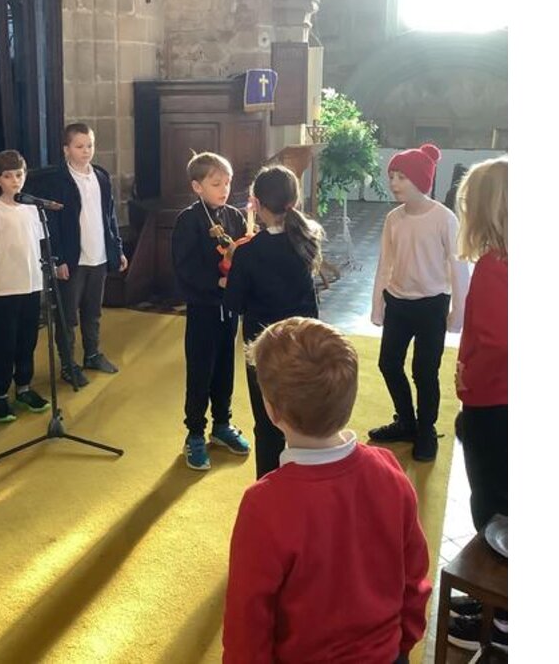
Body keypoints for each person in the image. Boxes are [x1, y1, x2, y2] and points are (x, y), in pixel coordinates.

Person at [223, 317, 431, 664]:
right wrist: (402, 644)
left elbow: (247, 623)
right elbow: (414, 575)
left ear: (271, 411)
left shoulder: (263, 505)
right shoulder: (389, 470)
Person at [444, 156, 509, 653]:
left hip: (494, 401)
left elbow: (495, 341)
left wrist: (469, 381)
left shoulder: (494, 266)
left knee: (492, 506)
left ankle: (501, 620)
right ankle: (495, 596)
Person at [368, 144, 469, 463]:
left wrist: (458, 313)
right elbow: (385, 262)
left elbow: (458, 267)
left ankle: (426, 429)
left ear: (422, 180)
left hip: (432, 305)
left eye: (402, 177)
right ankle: (406, 421)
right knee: (388, 363)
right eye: (392, 176)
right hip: (398, 302)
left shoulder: (444, 219)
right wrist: (377, 304)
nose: (394, 183)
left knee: (425, 371)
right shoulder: (393, 219)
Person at [223, 165, 321, 479]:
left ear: (257, 205)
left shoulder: (248, 252)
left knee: (267, 424)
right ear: (294, 200)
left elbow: (234, 304)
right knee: (299, 417)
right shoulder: (305, 239)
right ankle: (303, 480)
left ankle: (268, 486)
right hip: (300, 342)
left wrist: (230, 275)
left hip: (262, 347)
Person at [171, 151, 252, 471]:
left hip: (229, 308)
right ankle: (194, 432)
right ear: (197, 186)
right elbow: (184, 267)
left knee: (225, 368)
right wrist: (216, 281)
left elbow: (243, 253)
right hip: (203, 308)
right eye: (216, 183)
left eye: (228, 183)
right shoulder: (188, 220)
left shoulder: (235, 216)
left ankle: (222, 424)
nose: (224, 189)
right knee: (200, 370)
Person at [38, 122, 130, 388]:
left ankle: (92, 354)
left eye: (89, 145)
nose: (86, 151)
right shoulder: (57, 181)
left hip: (98, 255)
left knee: (93, 312)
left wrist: (117, 249)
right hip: (72, 259)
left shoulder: (101, 177)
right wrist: (57, 259)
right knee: (67, 316)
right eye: (79, 146)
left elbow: (109, 217)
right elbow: (52, 224)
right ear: (66, 149)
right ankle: (68, 365)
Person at [0, 149, 52, 423]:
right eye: (8, 176)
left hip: (31, 285)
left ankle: (24, 386)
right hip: (4, 289)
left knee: (27, 340)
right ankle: (0, 394)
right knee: (4, 343)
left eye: (19, 175)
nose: (15, 181)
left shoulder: (32, 209)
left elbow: (39, 245)